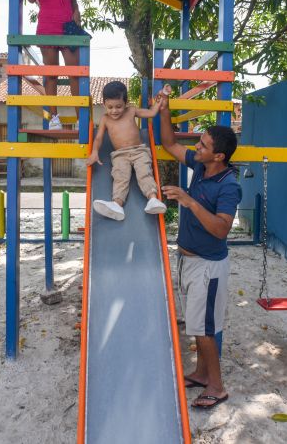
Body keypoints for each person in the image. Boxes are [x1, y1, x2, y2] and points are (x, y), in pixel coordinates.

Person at [157, 86, 241, 410]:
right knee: (196, 324)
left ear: (218, 156)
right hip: (188, 261)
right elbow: (169, 143)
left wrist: (190, 201)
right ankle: (201, 373)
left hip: (208, 266)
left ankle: (217, 386)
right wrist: (164, 109)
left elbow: (221, 229)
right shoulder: (202, 167)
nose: (197, 145)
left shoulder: (228, 186)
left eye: (203, 144)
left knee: (205, 330)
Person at [23, 0, 81, 130]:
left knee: (76, 73)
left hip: (68, 28)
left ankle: (80, 119)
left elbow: (74, 2)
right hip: (47, 27)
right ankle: (54, 119)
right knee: (51, 75)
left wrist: (77, 23)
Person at [86, 81, 168, 221]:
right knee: (120, 176)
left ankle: (153, 199)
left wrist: (162, 97)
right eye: (110, 107)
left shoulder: (132, 111)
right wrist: (94, 152)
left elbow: (152, 112)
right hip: (120, 155)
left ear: (126, 102)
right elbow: (99, 138)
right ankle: (117, 204)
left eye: (118, 106)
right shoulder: (105, 119)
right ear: (105, 104)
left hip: (139, 151)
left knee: (144, 172)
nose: (114, 111)